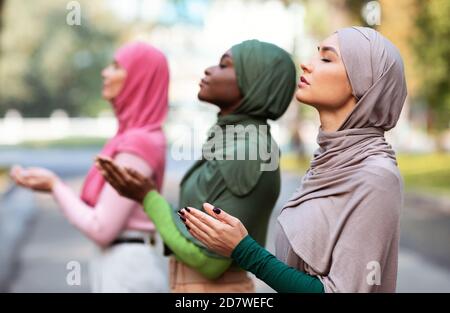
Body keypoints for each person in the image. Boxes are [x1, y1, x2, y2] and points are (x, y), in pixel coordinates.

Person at [176, 26, 408, 293]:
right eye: (315, 54)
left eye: (326, 58)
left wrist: (244, 250)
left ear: (364, 82)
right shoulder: (328, 164)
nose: (306, 65)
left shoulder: (375, 176)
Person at [96, 39, 297, 292]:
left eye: (225, 65)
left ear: (255, 81)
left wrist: (148, 197)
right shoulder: (234, 140)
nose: (209, 70)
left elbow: (210, 262)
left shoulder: (248, 151)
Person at [10, 42, 170, 292]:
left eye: (116, 66)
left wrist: (54, 186)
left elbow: (101, 228)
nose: (105, 72)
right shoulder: (128, 137)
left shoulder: (138, 142)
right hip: (120, 262)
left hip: (128, 268)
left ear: (140, 79)